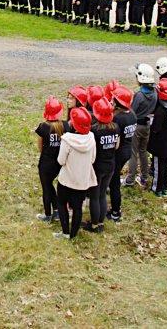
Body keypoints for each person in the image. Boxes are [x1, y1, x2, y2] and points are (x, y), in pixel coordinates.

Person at [54, 106, 96, 240]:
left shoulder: (67, 140)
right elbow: (93, 159)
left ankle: (65, 232)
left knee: (61, 204)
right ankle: (73, 235)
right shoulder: (91, 138)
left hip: (66, 180)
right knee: (77, 208)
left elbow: (61, 161)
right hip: (82, 180)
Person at [87, 98, 119, 233]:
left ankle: (94, 225)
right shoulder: (116, 127)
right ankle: (100, 221)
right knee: (102, 195)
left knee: (94, 195)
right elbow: (117, 146)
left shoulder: (94, 130)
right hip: (110, 165)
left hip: (97, 166)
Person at [35, 96, 68, 223]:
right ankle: (57, 211)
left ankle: (48, 215)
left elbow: (40, 145)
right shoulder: (65, 125)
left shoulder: (43, 127)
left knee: (46, 187)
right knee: (51, 186)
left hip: (46, 163)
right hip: (59, 162)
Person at [124, 64, 157, 188]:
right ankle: (144, 177)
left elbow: (132, 110)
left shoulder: (139, 95)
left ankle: (130, 178)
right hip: (147, 125)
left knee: (133, 153)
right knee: (143, 151)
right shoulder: (154, 93)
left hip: (137, 125)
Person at [109, 85, 136, 222]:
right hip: (127, 150)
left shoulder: (118, 119)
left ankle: (115, 212)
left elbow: (116, 141)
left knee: (114, 184)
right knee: (113, 179)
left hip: (118, 153)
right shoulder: (132, 115)